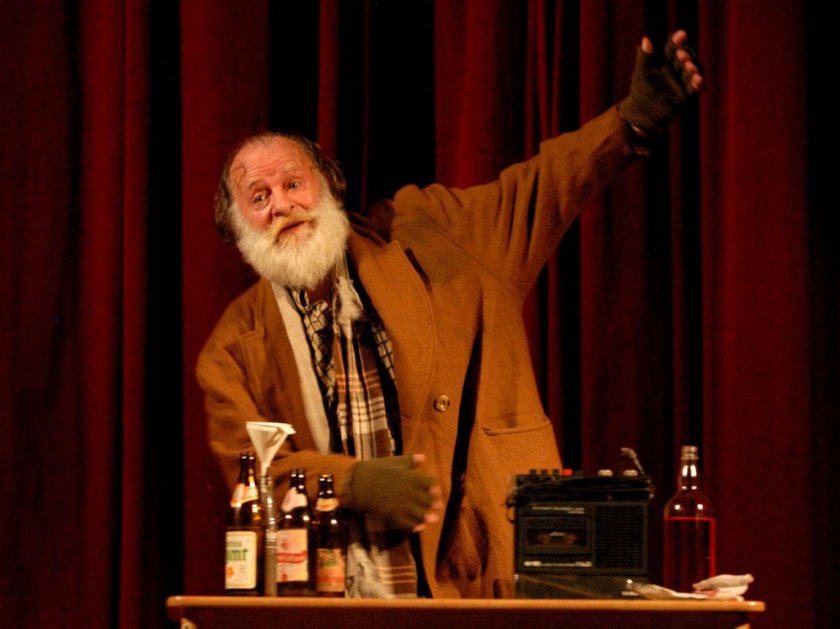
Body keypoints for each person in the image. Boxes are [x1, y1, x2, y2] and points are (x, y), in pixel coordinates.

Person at [197, 31, 704, 599]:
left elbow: (539, 186)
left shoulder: (435, 235)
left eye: (294, 183)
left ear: (330, 187)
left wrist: (630, 122)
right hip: (334, 595)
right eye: (259, 197)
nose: (282, 206)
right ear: (236, 228)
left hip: (476, 568)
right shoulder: (233, 349)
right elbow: (254, 475)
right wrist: (353, 483)